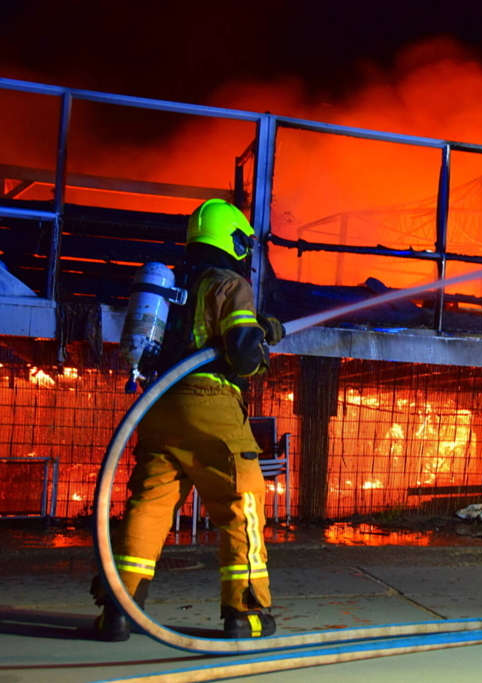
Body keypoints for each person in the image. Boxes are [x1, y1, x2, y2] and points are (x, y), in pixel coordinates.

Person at [91, 198, 285, 641]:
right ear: (233, 240)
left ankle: (120, 612)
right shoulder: (228, 283)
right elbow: (240, 355)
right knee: (241, 507)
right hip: (210, 406)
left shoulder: (173, 288)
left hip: (158, 407)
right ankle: (246, 614)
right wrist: (260, 339)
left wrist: (260, 329)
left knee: (148, 509)